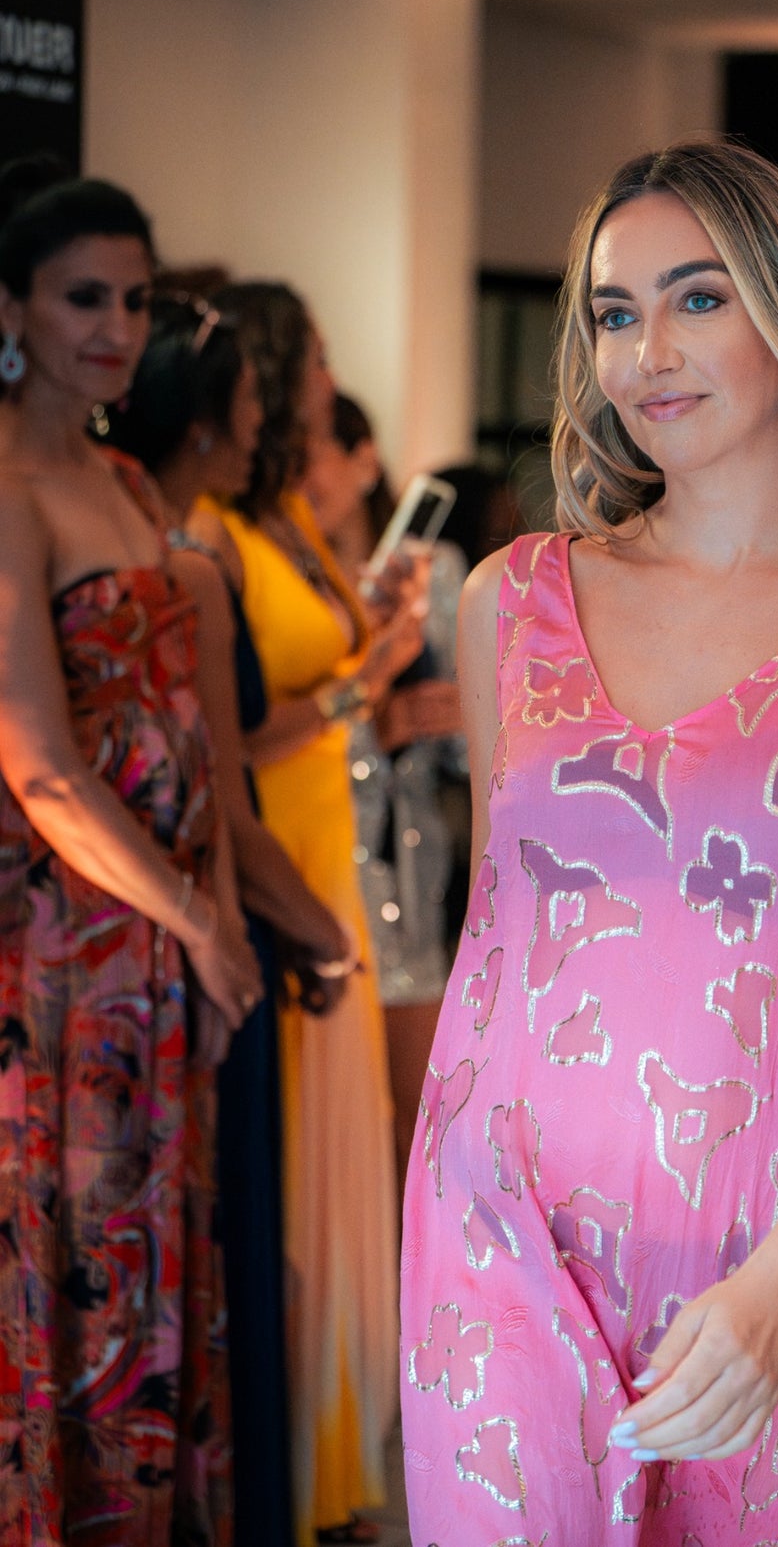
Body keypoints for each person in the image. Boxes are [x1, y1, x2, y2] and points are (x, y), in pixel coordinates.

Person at [400, 140, 778, 1542]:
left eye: (697, 298)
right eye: (615, 313)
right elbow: (504, 939)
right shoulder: (511, 600)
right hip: (503, 1235)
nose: (647, 354)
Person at [0, 167, 262, 1543]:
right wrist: (197, 920)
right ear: (12, 310)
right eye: (83, 297)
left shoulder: (117, 476)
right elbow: (38, 762)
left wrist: (213, 918)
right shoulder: (6, 489)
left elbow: (191, 732)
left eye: (135, 300)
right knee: (73, 1256)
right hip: (56, 959)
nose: (114, 328)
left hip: (156, 948)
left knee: (155, 1261)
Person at [106, 294, 361, 1547]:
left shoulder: (176, 547)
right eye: (254, 397)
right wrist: (313, 932)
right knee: (220, 1237)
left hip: (172, 915)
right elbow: (224, 797)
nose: (267, 416)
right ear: (207, 420)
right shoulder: (190, 567)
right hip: (205, 918)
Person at [191, 283, 426, 1547]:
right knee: (286, 1178)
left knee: (341, 1160)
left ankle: (328, 1468)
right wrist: (360, 676)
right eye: (319, 354)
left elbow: (346, 686)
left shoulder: (289, 515)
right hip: (273, 844)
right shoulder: (216, 530)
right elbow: (233, 726)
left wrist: (379, 645)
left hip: (334, 849)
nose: (332, 374)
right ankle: (278, 1474)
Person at [307, 392, 464, 1205]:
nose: (300, 476)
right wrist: (380, 724)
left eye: (314, 453)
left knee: (420, 1128)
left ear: (364, 460)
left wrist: (461, 712)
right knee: (339, 1130)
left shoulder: (435, 577)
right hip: (327, 861)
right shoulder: (296, 587)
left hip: (413, 869)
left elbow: (470, 751)